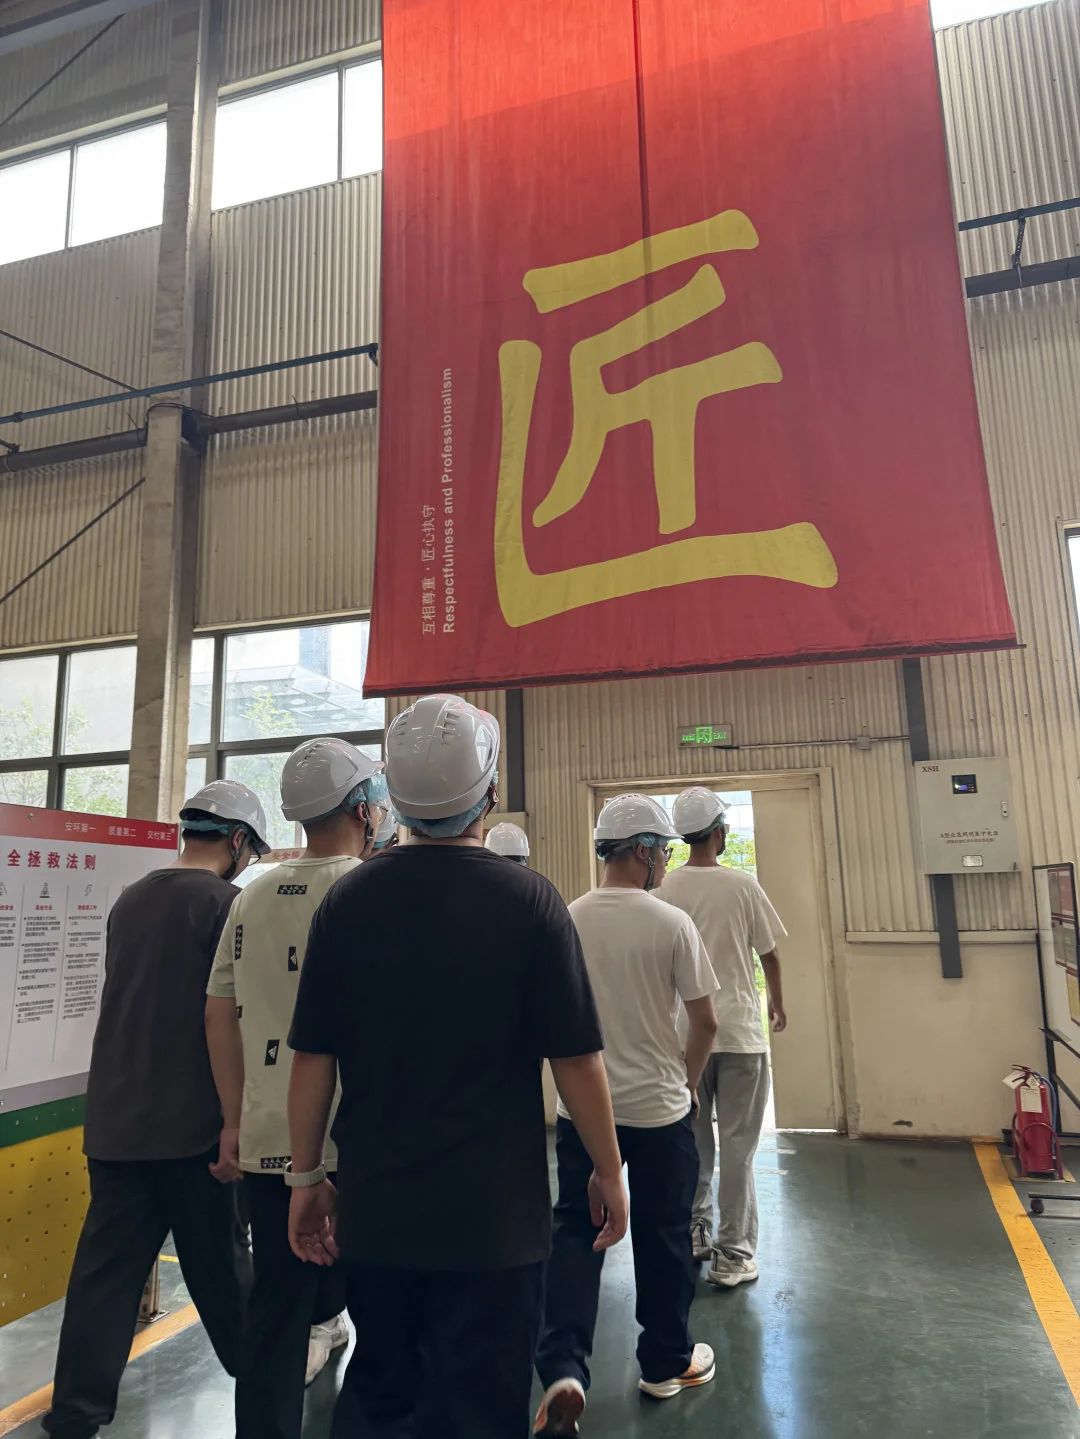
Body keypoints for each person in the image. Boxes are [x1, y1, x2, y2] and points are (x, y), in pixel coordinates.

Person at [285, 693, 627, 1439]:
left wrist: (306, 1178)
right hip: (495, 1222)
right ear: (490, 791)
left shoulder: (347, 903)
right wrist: (608, 1168)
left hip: (377, 1212)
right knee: (481, 1405)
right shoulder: (532, 903)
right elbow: (576, 1059)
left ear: (394, 799)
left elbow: (313, 1057)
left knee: (378, 1393)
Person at [43, 780, 269, 1439]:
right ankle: (266, 1393)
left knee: (104, 1280)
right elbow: (233, 1020)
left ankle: (76, 1414)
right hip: (194, 1131)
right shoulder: (227, 905)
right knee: (224, 1275)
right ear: (237, 841)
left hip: (116, 1124)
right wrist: (237, 1121)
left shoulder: (131, 899)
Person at [205, 738, 389, 1439]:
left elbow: (219, 1010)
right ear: (364, 809)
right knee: (385, 1310)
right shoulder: (373, 888)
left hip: (269, 1140)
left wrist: (235, 1119)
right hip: (359, 1142)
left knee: (274, 1315)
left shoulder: (251, 895)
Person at [534, 793, 719, 1436]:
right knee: (664, 1234)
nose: (665, 860)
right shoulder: (671, 924)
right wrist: (687, 1081)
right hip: (661, 1112)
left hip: (587, 1114)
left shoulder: (567, 919)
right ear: (641, 850)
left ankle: (563, 1368)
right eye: (661, 849)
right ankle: (665, 1362)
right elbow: (705, 1020)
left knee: (576, 1233)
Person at [658, 786, 788, 1288]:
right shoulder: (742, 886)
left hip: (686, 1038)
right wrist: (777, 1002)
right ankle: (734, 1253)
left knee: (694, 1143)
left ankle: (696, 1230)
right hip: (739, 1034)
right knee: (738, 1149)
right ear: (717, 832)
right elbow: (769, 953)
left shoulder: (665, 889)